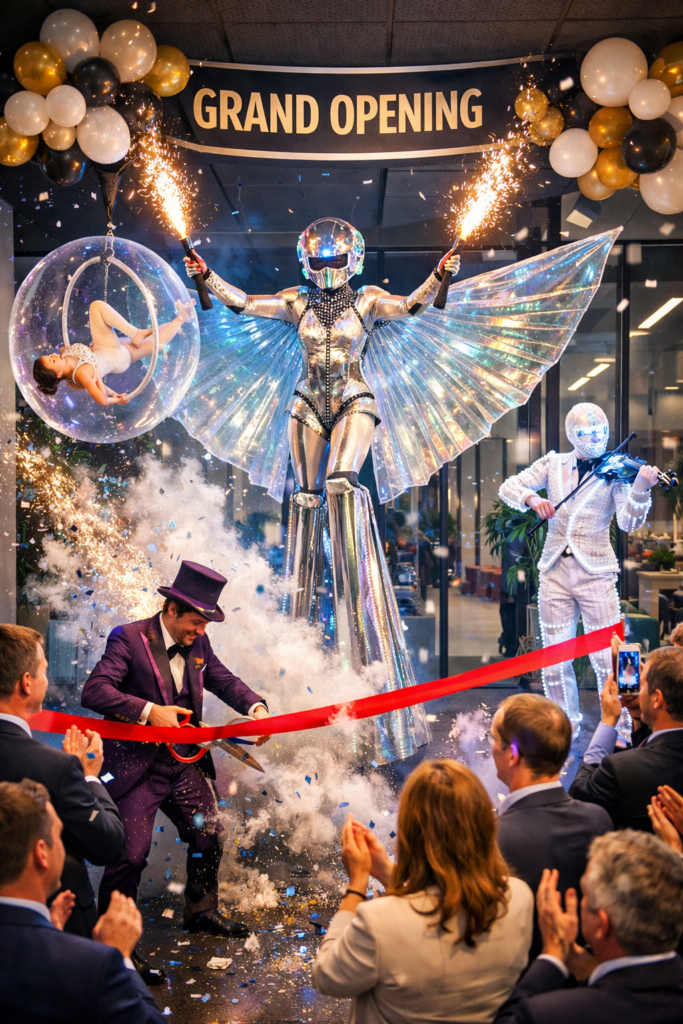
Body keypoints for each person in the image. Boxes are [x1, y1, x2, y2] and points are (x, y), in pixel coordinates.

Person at [81, 560, 271, 976]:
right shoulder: (128, 638)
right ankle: (114, 948)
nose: (201, 631)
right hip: (138, 768)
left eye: (206, 624)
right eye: (196, 622)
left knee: (210, 832)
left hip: (184, 764)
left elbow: (225, 681)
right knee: (130, 854)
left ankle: (201, 912)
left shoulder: (199, 644)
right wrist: (150, 712)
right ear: (171, 609)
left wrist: (256, 709)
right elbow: (93, 691)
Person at [312, 759, 534, 1024]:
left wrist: (357, 885)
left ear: (409, 834)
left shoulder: (379, 920)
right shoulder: (519, 897)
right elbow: (441, 897)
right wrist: (386, 872)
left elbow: (327, 976)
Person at [499, 403, 658, 727]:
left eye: (600, 431)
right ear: (573, 433)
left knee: (610, 658)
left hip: (596, 574)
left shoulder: (616, 473)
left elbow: (628, 522)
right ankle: (563, 727)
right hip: (554, 571)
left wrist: (641, 489)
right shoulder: (553, 463)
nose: (596, 438)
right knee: (555, 663)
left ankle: (626, 727)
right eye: (587, 432)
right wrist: (533, 499)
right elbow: (509, 487)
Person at [0, 778, 165, 1024]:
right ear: (41, 853)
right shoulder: (91, 965)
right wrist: (119, 957)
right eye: (59, 835)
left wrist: (46, 934)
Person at [0, 624, 124, 938]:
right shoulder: (55, 767)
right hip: (51, 929)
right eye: (43, 670)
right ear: (26, 682)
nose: (47, 679)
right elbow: (108, 845)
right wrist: (89, 775)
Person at [494, 830, 683, 1024]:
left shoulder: (547, 1014)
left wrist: (552, 954)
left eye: (585, 895)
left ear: (602, 925)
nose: (582, 903)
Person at [490, 694, 611, 958]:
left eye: (493, 739)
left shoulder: (491, 838)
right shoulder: (598, 819)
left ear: (512, 754)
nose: (491, 749)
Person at [570, 647, 683, 831]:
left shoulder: (621, 769)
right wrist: (638, 713)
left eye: (642, 684)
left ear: (657, 699)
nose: (637, 690)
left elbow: (579, 795)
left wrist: (608, 721)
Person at [32, 297, 194, 406]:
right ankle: (181, 318)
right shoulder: (81, 375)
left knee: (97, 307)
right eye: (52, 360)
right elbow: (102, 398)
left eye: (50, 356)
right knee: (155, 343)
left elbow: (80, 355)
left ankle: (152, 327)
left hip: (104, 346)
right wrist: (115, 396)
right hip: (118, 358)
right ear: (58, 374)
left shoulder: (64, 353)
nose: (54, 355)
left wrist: (89, 351)